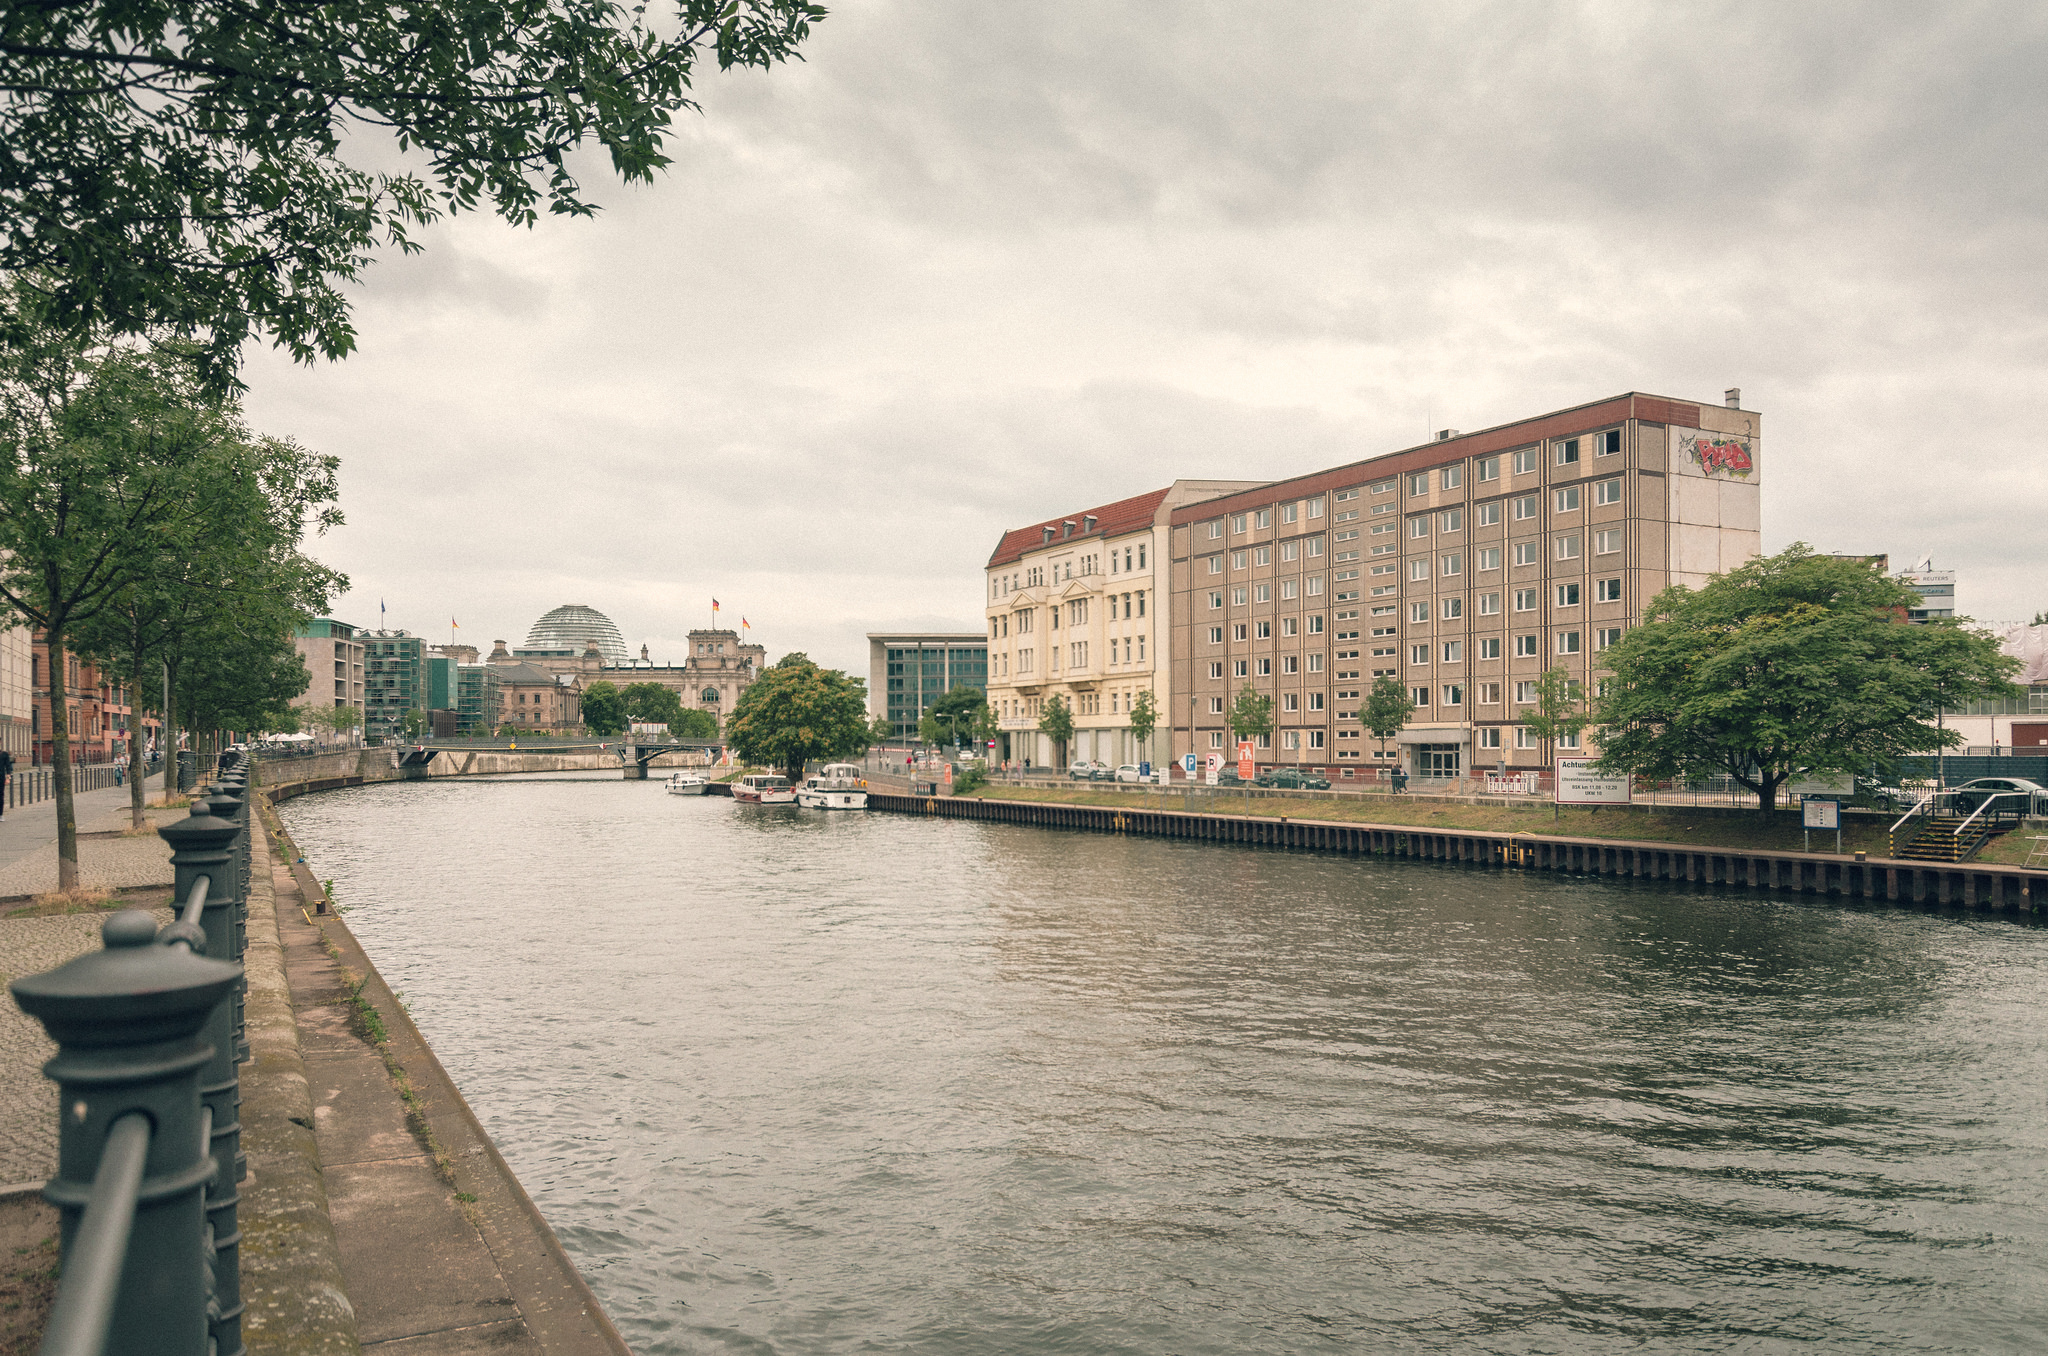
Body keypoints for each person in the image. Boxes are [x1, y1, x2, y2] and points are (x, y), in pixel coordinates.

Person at [0, 747, 11, 817]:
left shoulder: (4, 754)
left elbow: (8, 767)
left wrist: (8, 778)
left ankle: (0, 814)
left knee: (0, 796)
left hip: (1, 778)